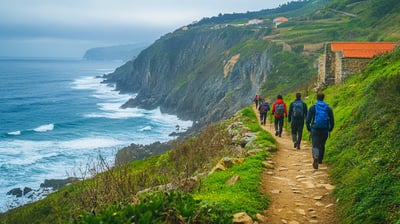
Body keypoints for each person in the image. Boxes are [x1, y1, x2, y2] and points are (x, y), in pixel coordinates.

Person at [306, 92, 334, 169]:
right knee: (322, 145)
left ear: (317, 98)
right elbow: (332, 121)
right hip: (325, 130)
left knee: (315, 145)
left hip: (315, 129)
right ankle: (320, 160)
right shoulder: (328, 108)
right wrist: (330, 129)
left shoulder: (313, 108)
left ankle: (315, 156)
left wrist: (309, 129)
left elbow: (307, 120)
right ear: (323, 98)